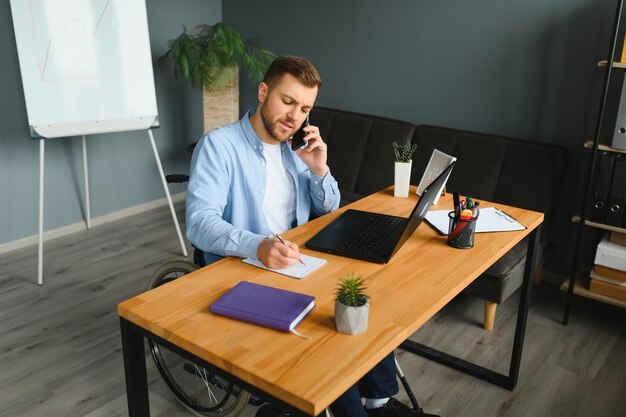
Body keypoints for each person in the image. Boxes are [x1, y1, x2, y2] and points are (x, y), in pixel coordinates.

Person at [186, 55, 438, 417]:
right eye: (287, 101)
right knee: (328, 332)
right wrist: (258, 245)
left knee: (361, 300)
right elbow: (199, 222)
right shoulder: (219, 146)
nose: (295, 117)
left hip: (297, 263)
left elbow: (330, 206)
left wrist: (320, 169)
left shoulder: (295, 150)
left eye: (305, 108)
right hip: (242, 267)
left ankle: (380, 402)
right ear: (262, 92)